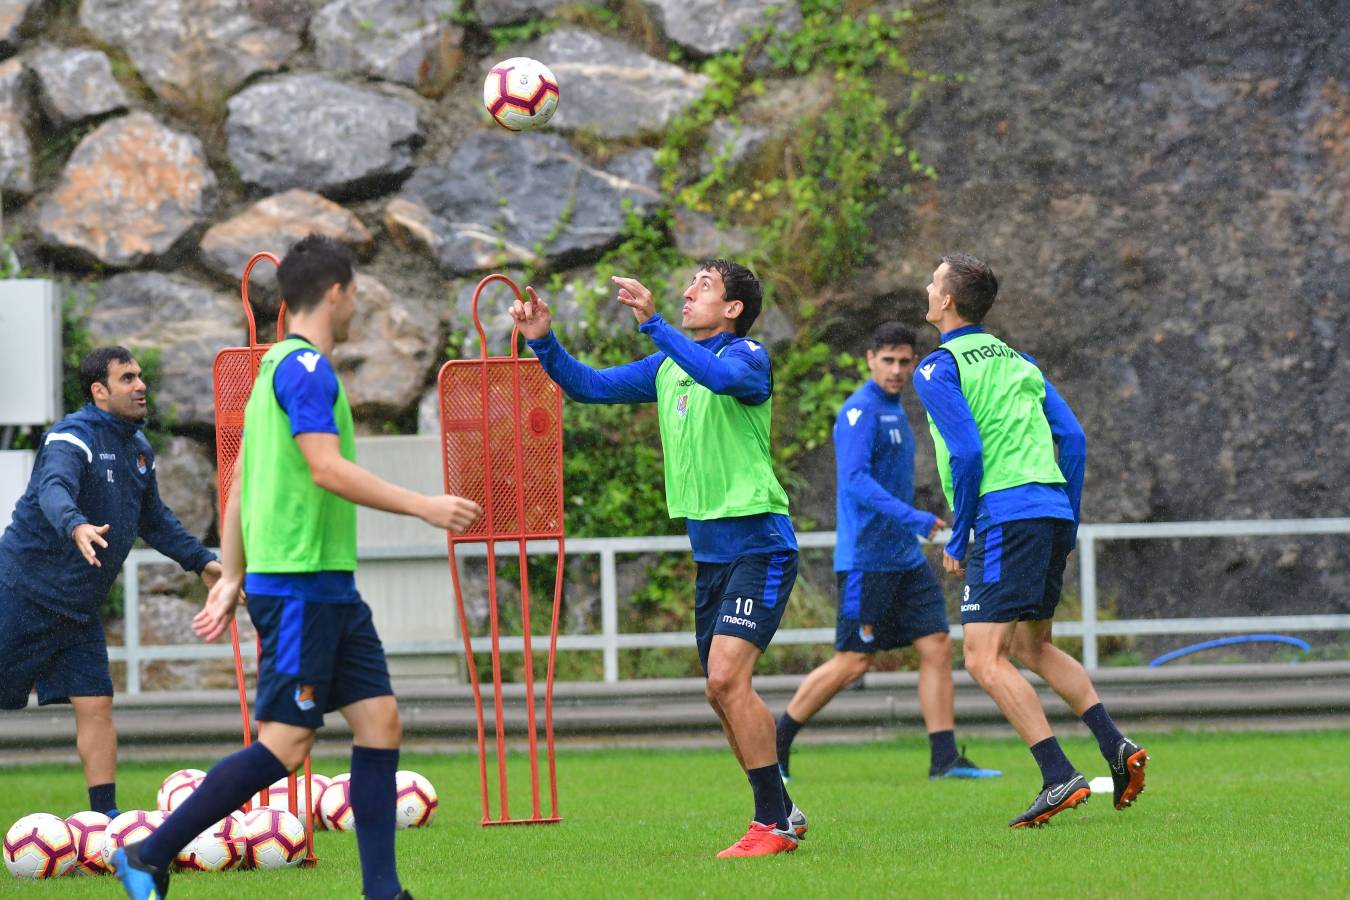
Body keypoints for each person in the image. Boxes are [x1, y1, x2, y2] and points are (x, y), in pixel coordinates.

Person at [112, 235, 482, 899]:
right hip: (301, 587)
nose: (354, 306)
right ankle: (150, 851)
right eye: (356, 295)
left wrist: (228, 577)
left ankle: (383, 892)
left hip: (329, 587)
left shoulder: (273, 368)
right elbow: (325, 467)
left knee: (380, 723)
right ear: (337, 293)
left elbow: (240, 485)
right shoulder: (307, 370)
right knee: (286, 744)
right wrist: (424, 505)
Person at [509, 260, 804, 858]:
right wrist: (543, 340)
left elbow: (718, 380)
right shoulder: (670, 363)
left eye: (705, 286)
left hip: (760, 545)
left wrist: (655, 324)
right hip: (713, 556)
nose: (690, 290)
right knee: (720, 692)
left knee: (726, 677)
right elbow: (589, 386)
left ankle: (771, 822)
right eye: (690, 281)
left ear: (733, 310)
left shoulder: (747, 358)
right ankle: (783, 810)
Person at [912, 253, 1148, 828]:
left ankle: (1056, 775)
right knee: (1032, 647)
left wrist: (961, 533)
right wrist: (1065, 522)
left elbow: (966, 453)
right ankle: (1117, 747)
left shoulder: (937, 368)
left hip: (1003, 515)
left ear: (946, 301)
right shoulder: (1019, 360)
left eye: (933, 281)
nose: (926, 285)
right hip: (1045, 510)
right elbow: (1074, 439)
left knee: (982, 656)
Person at [0, 346, 221, 819]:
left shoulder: (138, 450)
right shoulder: (70, 436)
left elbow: (154, 520)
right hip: (22, 594)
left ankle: (107, 821)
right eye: (127, 378)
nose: (141, 385)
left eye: (140, 376)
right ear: (99, 391)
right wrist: (75, 524)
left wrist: (203, 562)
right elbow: (52, 488)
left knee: (97, 704)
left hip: (78, 610)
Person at [775, 322, 1001, 783]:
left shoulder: (896, 412)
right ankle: (775, 746)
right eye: (889, 361)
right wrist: (916, 518)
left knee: (937, 645)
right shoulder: (860, 412)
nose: (897, 370)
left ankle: (945, 760)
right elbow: (855, 482)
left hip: (904, 559)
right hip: (867, 560)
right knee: (853, 661)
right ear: (870, 360)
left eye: (905, 361)